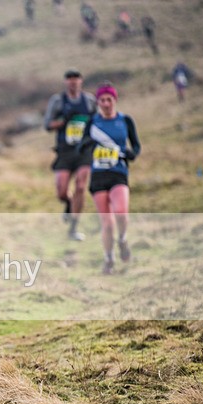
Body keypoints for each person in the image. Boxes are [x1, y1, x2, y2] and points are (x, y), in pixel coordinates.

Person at [77, 83, 141, 274]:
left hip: (119, 172)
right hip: (98, 176)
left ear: (115, 100)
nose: (105, 103)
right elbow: (80, 148)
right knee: (106, 223)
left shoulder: (125, 121)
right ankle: (109, 259)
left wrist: (130, 153)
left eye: (109, 99)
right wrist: (89, 142)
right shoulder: (92, 123)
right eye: (102, 100)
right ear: (97, 103)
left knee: (121, 213)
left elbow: (136, 147)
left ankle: (122, 240)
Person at [44, 68, 97, 240]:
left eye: (76, 78)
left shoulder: (89, 101)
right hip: (64, 150)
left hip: (84, 149)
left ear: (81, 81)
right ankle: (68, 204)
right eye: (69, 79)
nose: (73, 82)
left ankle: (73, 228)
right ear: (66, 82)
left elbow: (97, 122)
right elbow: (47, 125)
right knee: (61, 191)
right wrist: (63, 122)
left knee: (81, 186)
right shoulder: (58, 101)